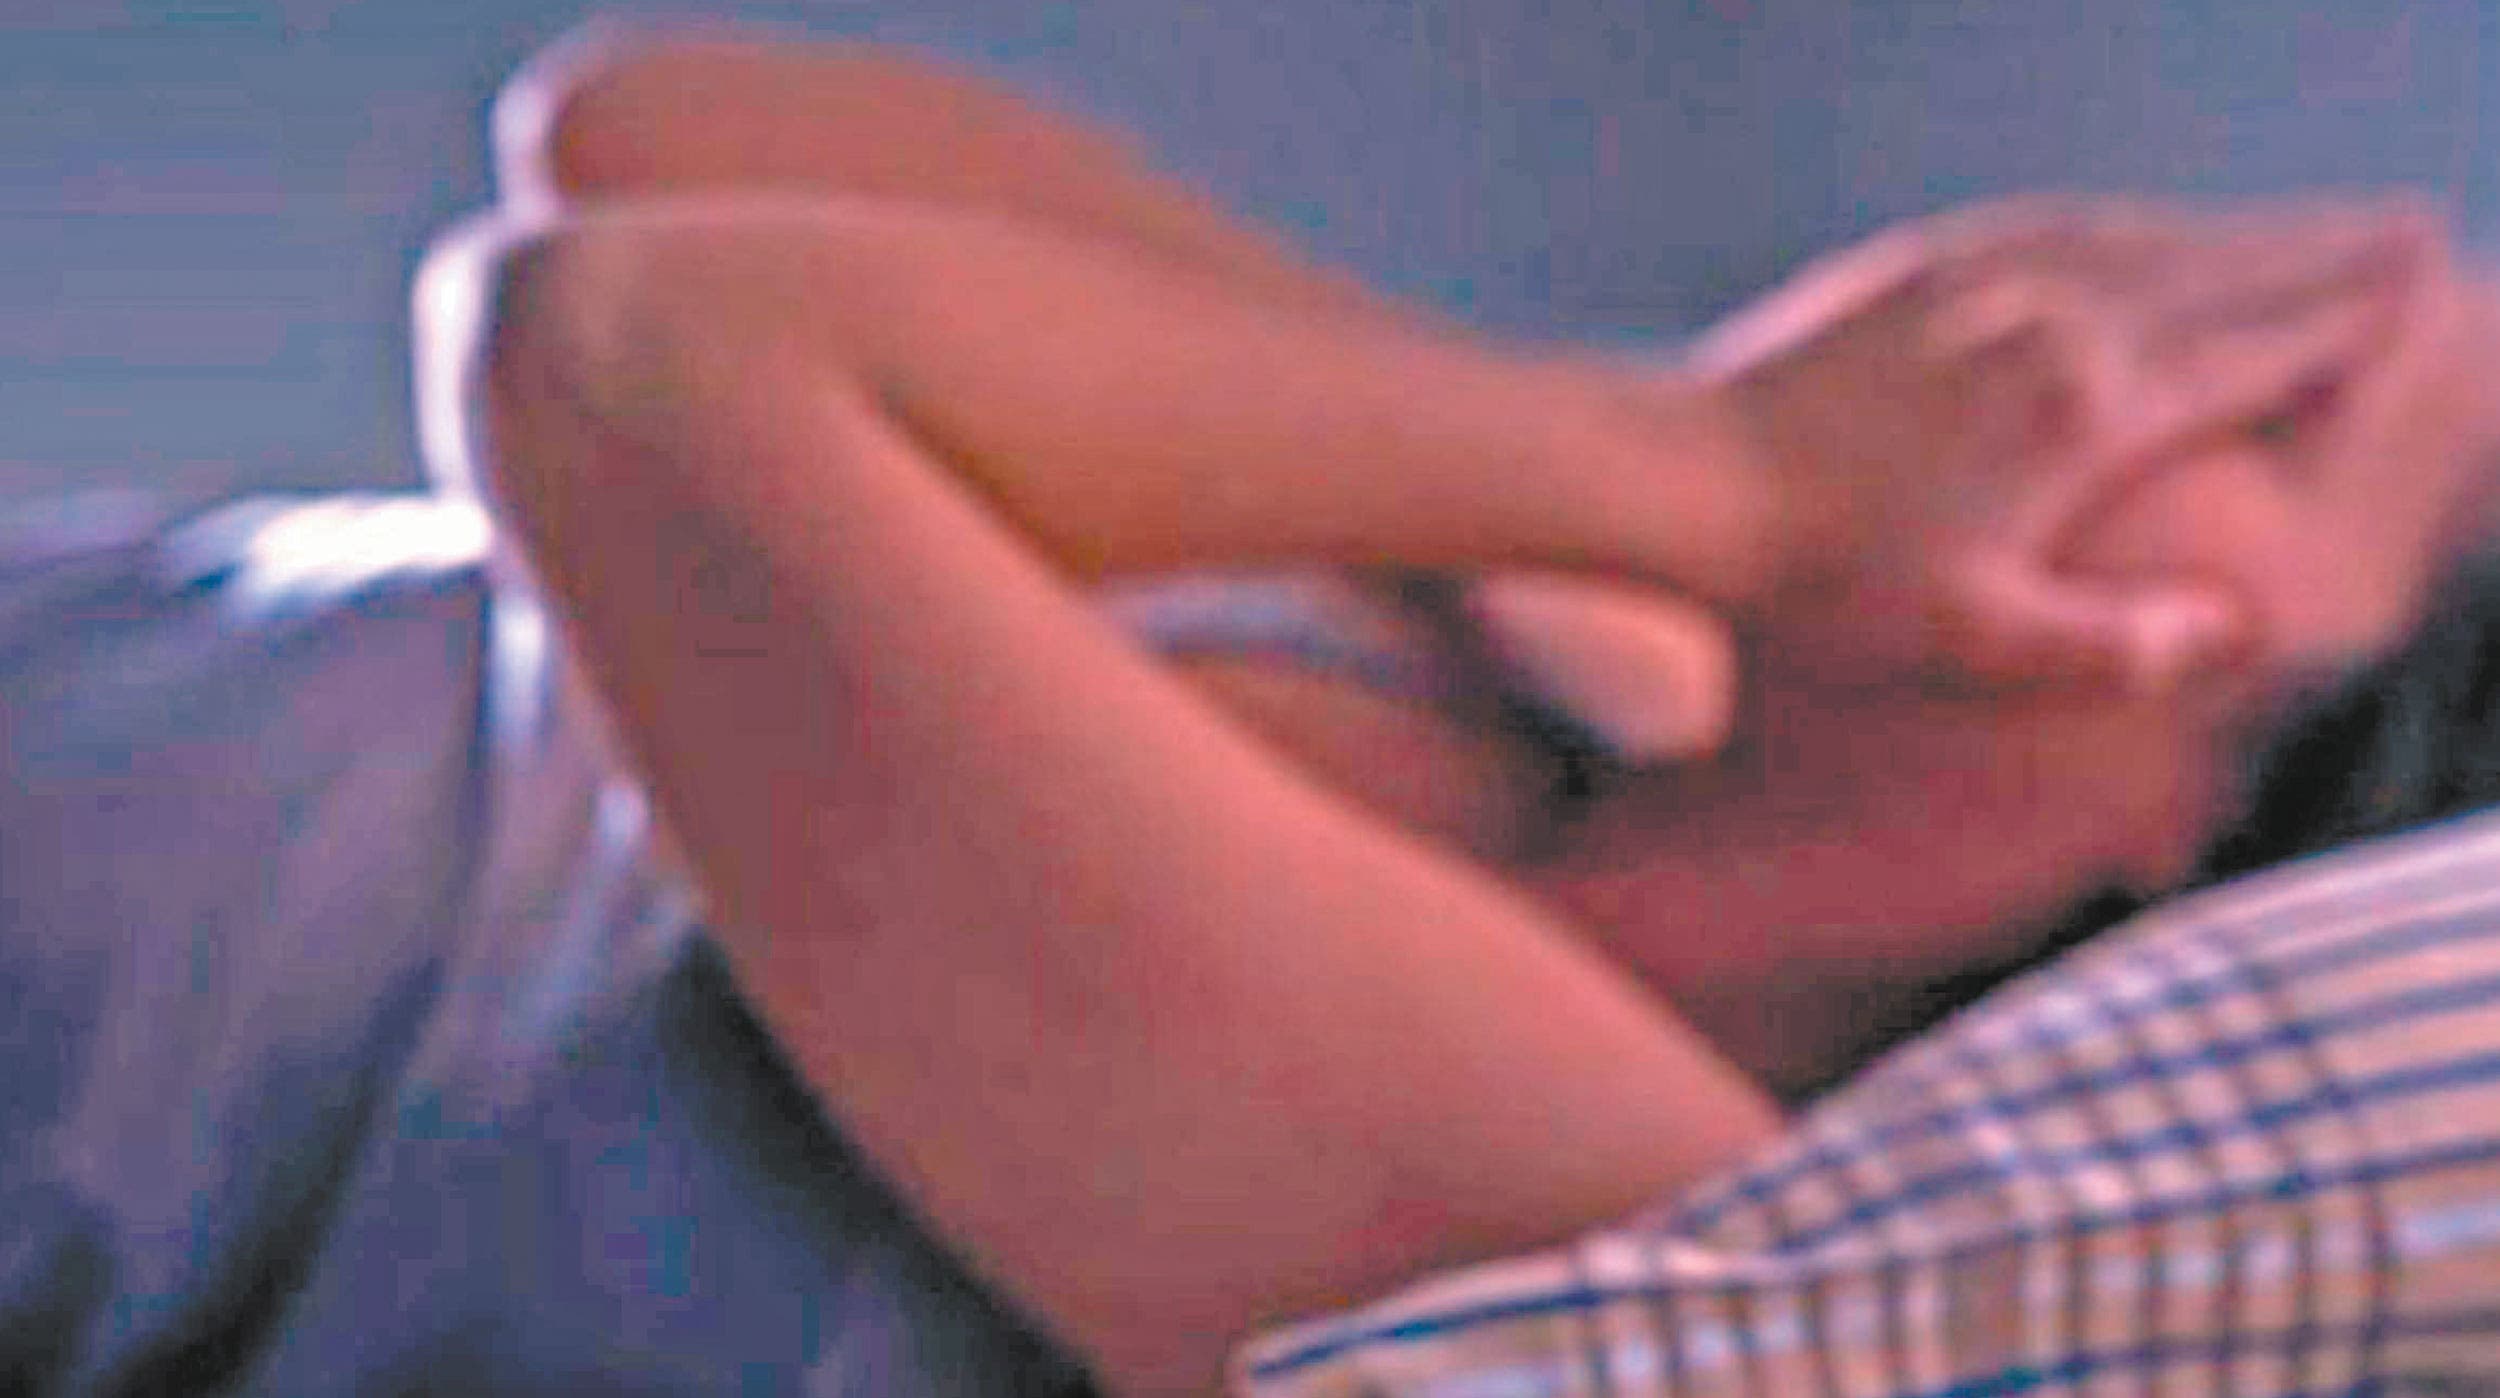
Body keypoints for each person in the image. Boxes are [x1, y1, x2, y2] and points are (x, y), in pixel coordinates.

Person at [413, 27, 2500, 1396]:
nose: (2097, 325)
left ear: (2235, 826)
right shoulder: (1591, 639)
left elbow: (626, 343)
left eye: (2273, 395)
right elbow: (647, 130)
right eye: (2220, 274)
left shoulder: (1599, 1183)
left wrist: (1727, 476)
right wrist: (1672, 458)